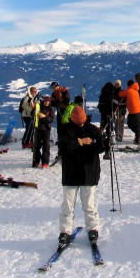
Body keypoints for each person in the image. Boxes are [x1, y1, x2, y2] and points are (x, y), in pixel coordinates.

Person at [56, 106, 106, 249]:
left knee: (89, 204)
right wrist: (80, 142)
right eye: (78, 123)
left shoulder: (93, 129)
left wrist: (106, 141)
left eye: (82, 122)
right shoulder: (65, 129)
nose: (81, 124)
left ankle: (93, 229)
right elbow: (63, 147)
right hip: (71, 172)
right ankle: (65, 231)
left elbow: (101, 148)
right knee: (67, 205)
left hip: (88, 172)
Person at [32, 95, 55, 168]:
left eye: (48, 101)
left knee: (46, 147)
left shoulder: (50, 109)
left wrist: (45, 117)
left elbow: (51, 119)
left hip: (46, 129)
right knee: (36, 146)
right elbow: (32, 115)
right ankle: (36, 161)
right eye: (46, 101)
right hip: (38, 128)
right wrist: (34, 110)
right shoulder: (38, 107)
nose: (47, 103)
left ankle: (45, 162)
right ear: (43, 101)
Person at [119, 79, 140, 144]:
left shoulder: (129, 90)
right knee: (137, 124)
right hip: (139, 110)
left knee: (130, 124)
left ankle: (139, 136)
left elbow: (120, 94)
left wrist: (121, 91)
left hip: (134, 111)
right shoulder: (136, 90)